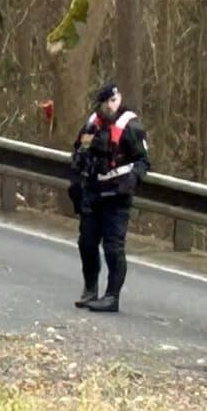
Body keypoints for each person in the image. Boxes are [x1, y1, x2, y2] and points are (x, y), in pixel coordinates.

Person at [67, 83, 150, 313]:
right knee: (87, 243)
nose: (111, 106)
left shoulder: (131, 126)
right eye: (107, 102)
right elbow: (78, 153)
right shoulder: (92, 124)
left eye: (114, 101)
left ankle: (112, 296)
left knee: (113, 247)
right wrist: (75, 182)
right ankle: (90, 289)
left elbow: (144, 161)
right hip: (93, 192)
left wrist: (131, 181)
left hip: (117, 195)